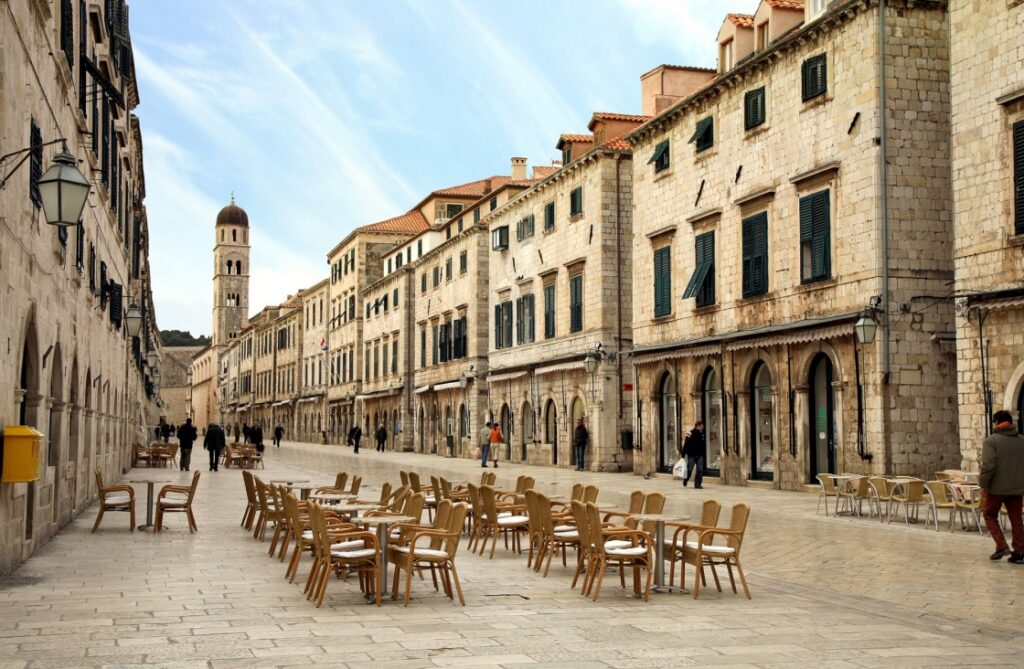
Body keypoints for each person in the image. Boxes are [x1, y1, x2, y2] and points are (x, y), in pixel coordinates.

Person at [980, 410, 1024, 563]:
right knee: (1016, 519)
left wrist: (984, 485)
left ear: (996, 422)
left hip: (997, 488)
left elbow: (988, 466)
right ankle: (1019, 552)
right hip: (1017, 488)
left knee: (989, 515)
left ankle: (1001, 545)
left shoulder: (991, 441)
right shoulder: (1022, 440)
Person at [681, 420, 706, 489]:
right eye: (702, 426)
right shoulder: (689, 433)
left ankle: (697, 484)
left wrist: (703, 454)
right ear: (698, 426)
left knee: (700, 470)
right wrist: (683, 454)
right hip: (691, 455)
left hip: (700, 455)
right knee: (689, 469)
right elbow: (686, 444)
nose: (703, 427)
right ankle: (686, 479)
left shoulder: (702, 434)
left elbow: (703, 445)